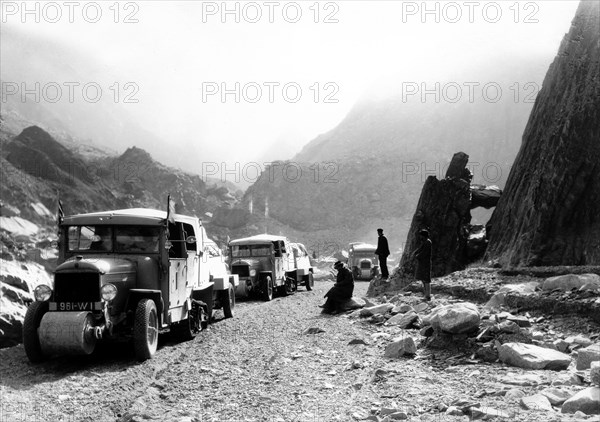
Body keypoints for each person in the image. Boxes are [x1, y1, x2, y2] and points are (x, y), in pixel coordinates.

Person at [413, 229, 432, 301]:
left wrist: (417, 256)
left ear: (423, 236)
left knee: (426, 279)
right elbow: (420, 249)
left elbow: (424, 252)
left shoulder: (428, 242)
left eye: (421, 235)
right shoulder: (425, 242)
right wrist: (415, 252)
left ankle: (428, 296)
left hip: (426, 263)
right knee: (423, 279)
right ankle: (426, 295)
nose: (420, 237)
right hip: (422, 263)